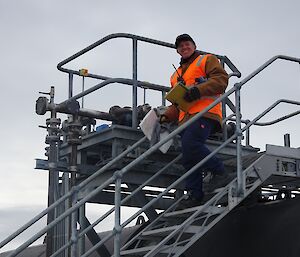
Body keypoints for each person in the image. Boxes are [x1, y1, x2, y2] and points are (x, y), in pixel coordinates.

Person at [160, 34, 229, 208]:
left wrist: (198, 90)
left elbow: (221, 81)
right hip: (185, 118)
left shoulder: (206, 60)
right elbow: (178, 102)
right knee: (188, 156)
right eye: (180, 46)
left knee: (191, 144)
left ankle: (220, 172)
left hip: (205, 113)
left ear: (194, 45)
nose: (184, 47)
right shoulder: (175, 76)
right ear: (177, 51)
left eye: (187, 44)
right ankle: (194, 194)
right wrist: (165, 116)